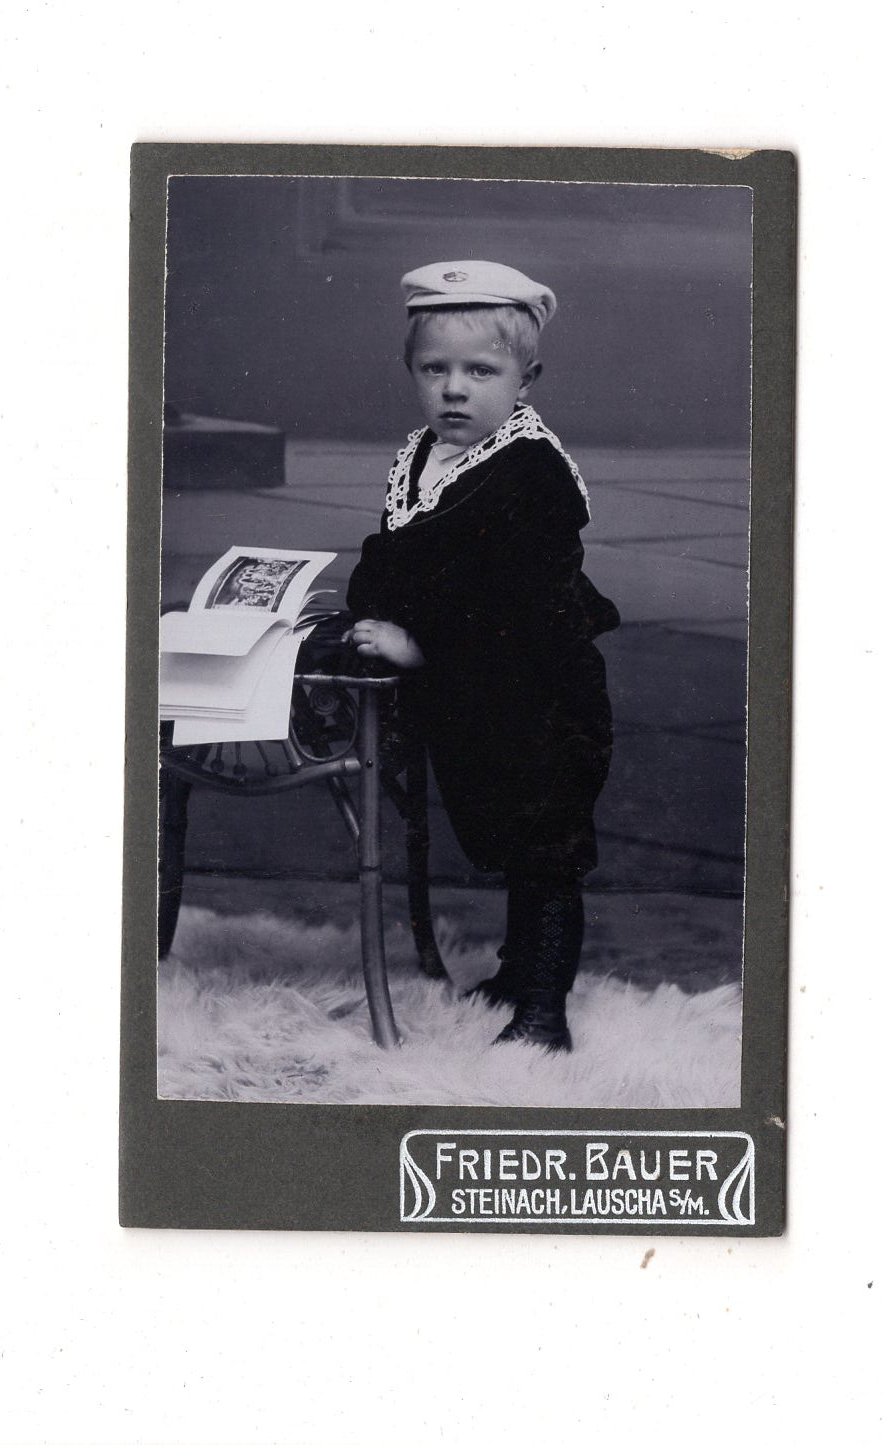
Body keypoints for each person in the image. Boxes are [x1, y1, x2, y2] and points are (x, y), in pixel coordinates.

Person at [346, 260, 619, 1052]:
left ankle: (543, 1010)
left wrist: (414, 641)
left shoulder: (528, 473)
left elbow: (511, 604)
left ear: (524, 379)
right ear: (411, 373)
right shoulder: (423, 459)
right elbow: (394, 553)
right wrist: (373, 605)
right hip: (475, 696)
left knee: (545, 848)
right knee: (503, 834)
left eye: (480, 371)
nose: (454, 390)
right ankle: (514, 971)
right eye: (435, 370)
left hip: (541, 694)